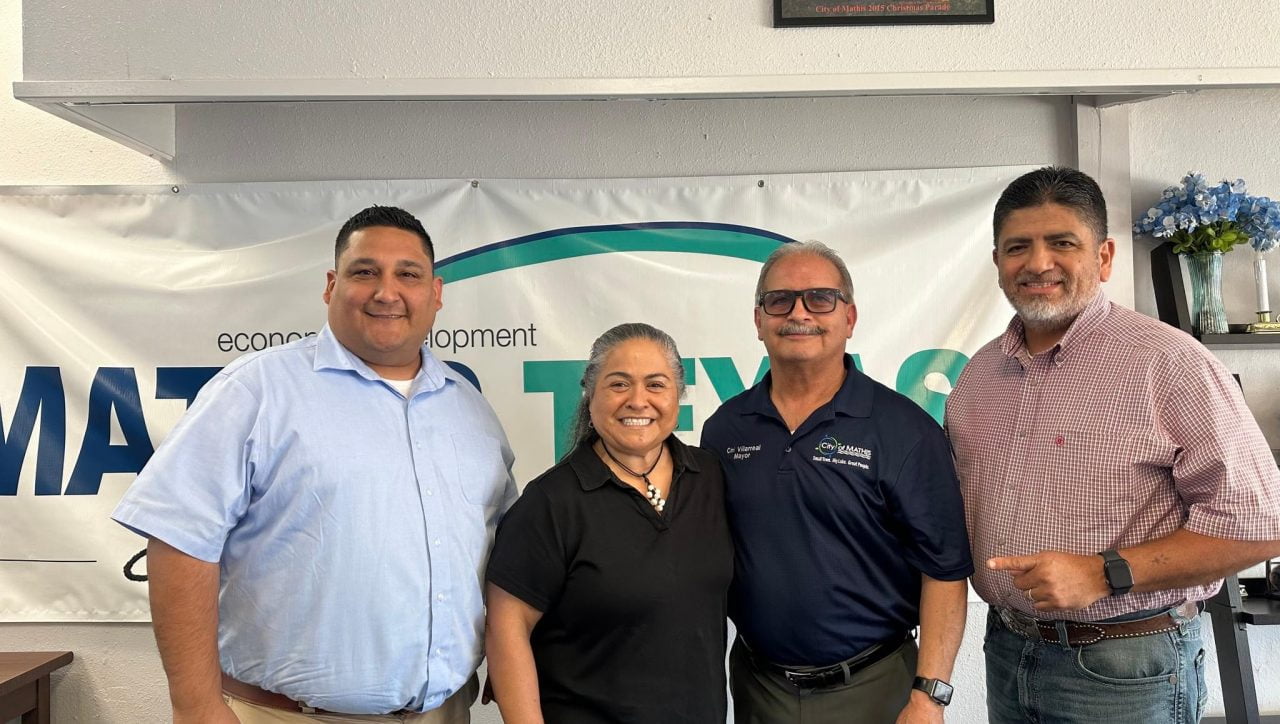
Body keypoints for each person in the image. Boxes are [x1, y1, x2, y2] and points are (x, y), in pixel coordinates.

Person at [111, 205, 516, 724]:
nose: (386, 292)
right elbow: (177, 540)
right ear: (331, 285)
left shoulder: (470, 409)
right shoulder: (257, 391)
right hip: (285, 715)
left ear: (435, 293)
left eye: (407, 274)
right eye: (364, 271)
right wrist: (194, 705)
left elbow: (503, 553)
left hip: (444, 713)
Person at [945, 166, 1280, 724]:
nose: (1038, 263)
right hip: (1006, 650)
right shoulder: (978, 377)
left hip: (1126, 665)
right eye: (1017, 247)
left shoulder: (1169, 364)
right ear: (999, 262)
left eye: (1062, 243)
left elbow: (1262, 523)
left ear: (1103, 257)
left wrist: (1106, 572)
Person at [701, 241, 973, 724]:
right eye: (779, 300)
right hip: (758, 686)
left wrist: (929, 697)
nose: (799, 313)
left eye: (820, 299)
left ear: (849, 318)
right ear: (759, 319)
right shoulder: (726, 428)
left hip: (873, 688)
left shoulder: (905, 431)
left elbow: (945, 572)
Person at [485, 322, 733, 723]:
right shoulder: (551, 502)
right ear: (590, 394)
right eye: (619, 384)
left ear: (678, 395)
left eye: (656, 384)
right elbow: (505, 629)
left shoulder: (710, 477)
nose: (638, 401)